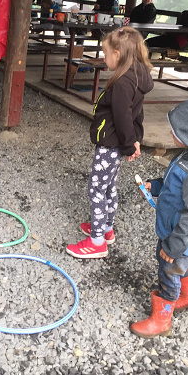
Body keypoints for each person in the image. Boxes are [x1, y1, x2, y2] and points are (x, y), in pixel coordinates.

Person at [130, 98, 188, 338]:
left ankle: (163, 319)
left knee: (168, 271)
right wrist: (156, 186)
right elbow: (175, 185)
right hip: (175, 233)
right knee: (176, 266)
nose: (172, 133)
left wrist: (173, 247)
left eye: (178, 131)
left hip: (180, 239)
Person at [66, 27, 154, 259]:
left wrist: (130, 144)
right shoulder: (138, 75)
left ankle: (97, 242)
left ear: (118, 54)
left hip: (110, 143)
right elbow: (137, 113)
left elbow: (124, 117)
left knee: (96, 188)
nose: (104, 59)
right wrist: (135, 140)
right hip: (118, 143)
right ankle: (106, 229)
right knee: (108, 185)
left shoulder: (123, 83)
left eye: (106, 54)